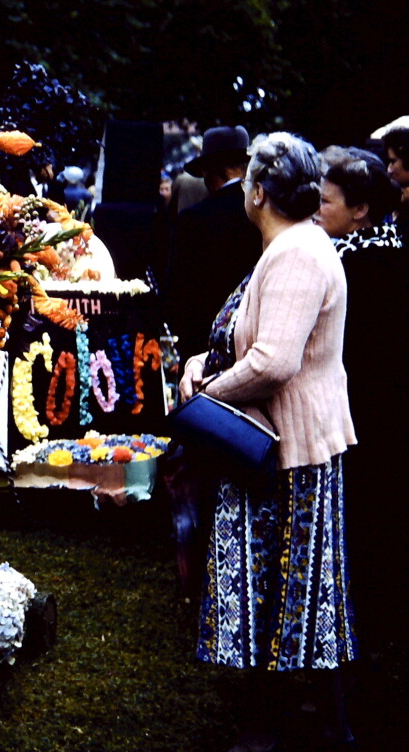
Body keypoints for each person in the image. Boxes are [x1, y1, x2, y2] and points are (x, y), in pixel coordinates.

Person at [180, 133, 357, 752]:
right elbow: (251, 337)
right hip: (275, 443)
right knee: (295, 592)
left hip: (283, 449)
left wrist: (206, 394)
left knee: (284, 593)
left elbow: (274, 361)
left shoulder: (297, 253)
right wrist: (203, 362)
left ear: (257, 192)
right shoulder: (293, 244)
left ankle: (276, 727)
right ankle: (310, 720)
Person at [315, 150, 405, 664]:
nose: (316, 210)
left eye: (326, 202)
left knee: (357, 533)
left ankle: (354, 646)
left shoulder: (344, 266)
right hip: (388, 418)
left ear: (360, 210)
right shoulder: (394, 252)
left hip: (354, 418)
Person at [165, 125, 259, 363]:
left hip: (203, 347)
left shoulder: (193, 219)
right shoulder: (263, 213)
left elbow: (176, 294)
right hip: (254, 342)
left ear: (209, 171)